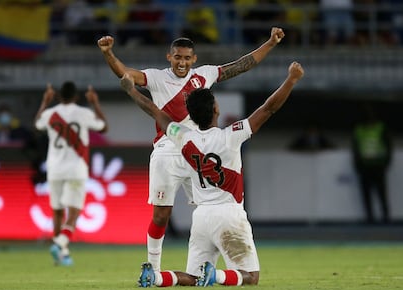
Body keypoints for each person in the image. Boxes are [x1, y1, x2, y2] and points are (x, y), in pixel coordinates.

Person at [97, 27, 285, 273]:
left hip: (196, 152)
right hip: (167, 150)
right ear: (169, 57)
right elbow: (126, 74)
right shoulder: (156, 77)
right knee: (161, 215)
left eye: (187, 58)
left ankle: (204, 269)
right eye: (177, 57)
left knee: (207, 210)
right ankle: (152, 268)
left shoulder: (205, 74)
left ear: (193, 59)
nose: (182, 62)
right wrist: (109, 54)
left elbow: (242, 65)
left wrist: (270, 43)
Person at [120, 61, 304, 287]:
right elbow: (268, 108)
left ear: (191, 114)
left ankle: (156, 276)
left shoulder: (183, 137)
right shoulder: (231, 136)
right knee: (251, 277)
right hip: (229, 215)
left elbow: (156, 112)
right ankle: (216, 275)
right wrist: (291, 80)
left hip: (201, 218)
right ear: (216, 109)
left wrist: (130, 90)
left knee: (195, 277)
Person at [34, 81, 108, 266]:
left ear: (58, 96)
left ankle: (62, 254)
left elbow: (37, 125)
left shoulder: (51, 114)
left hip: (55, 168)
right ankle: (60, 244)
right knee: (74, 212)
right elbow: (103, 127)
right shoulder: (84, 113)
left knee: (57, 212)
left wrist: (45, 101)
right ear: (76, 96)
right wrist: (95, 102)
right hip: (76, 168)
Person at [351, 104, 392, 224]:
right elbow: (355, 148)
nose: (369, 117)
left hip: (378, 165)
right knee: (366, 194)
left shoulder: (380, 127)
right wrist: (357, 165)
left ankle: (385, 217)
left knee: (382, 193)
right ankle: (370, 218)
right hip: (364, 166)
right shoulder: (358, 129)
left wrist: (386, 162)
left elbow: (388, 145)